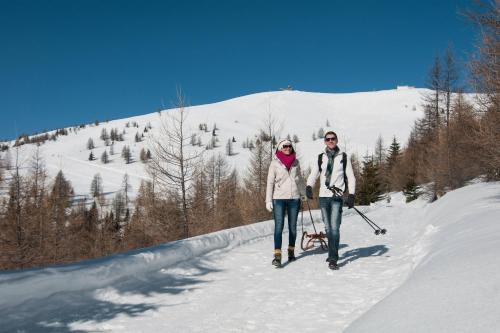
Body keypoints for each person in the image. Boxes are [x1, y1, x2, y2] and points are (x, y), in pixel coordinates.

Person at [306, 131, 356, 270]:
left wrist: (351, 195)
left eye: (333, 139)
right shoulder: (321, 157)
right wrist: (309, 186)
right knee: (328, 228)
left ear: (336, 140)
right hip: (323, 196)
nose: (330, 141)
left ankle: (333, 257)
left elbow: (351, 177)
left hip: (337, 196)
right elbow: (314, 174)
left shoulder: (343, 157)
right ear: (325, 141)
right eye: (328, 139)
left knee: (334, 227)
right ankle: (332, 251)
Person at [265, 139, 306, 267]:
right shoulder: (274, 163)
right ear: (280, 148)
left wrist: (303, 193)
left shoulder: (296, 162)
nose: (287, 148)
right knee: (279, 227)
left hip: (294, 198)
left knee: (293, 227)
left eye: (289, 146)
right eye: (285, 146)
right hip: (279, 199)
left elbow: (299, 179)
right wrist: (268, 200)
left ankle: (291, 252)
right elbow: (270, 182)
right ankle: (277, 256)